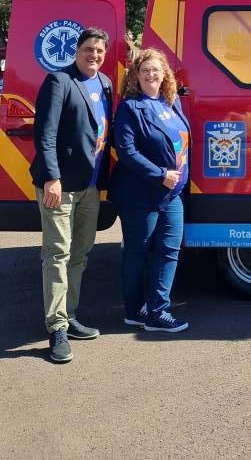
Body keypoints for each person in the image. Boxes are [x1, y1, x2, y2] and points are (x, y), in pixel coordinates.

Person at [30, 27, 113, 363]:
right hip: (61, 186)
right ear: (77, 50)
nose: (94, 55)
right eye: (89, 49)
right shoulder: (59, 81)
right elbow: (45, 133)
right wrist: (52, 178)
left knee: (80, 252)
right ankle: (57, 328)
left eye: (100, 50)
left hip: (90, 185)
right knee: (57, 254)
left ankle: (70, 314)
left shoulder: (104, 83)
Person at [109, 48, 190, 333]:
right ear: (136, 75)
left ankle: (157, 310)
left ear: (165, 74)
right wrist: (160, 175)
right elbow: (126, 151)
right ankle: (134, 310)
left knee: (169, 251)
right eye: (145, 71)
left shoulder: (171, 102)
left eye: (156, 70)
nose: (151, 75)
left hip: (172, 195)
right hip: (140, 195)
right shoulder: (131, 107)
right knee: (138, 253)